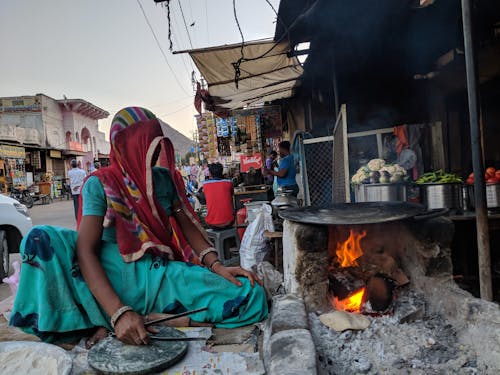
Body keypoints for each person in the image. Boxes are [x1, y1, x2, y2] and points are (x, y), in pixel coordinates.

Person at [10, 107, 267, 347]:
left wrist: (217, 266)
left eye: (157, 146)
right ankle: (117, 319)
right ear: (127, 145)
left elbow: (188, 229)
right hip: (113, 280)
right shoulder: (100, 184)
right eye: (147, 146)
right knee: (38, 238)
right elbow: (85, 251)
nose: (154, 154)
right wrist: (119, 312)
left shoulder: (165, 181)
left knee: (251, 297)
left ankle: (157, 318)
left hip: (159, 276)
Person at [203, 163, 235, 229]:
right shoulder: (229, 182)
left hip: (212, 223)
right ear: (222, 172)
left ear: (210, 173)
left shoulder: (205, 184)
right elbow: (232, 194)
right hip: (229, 222)